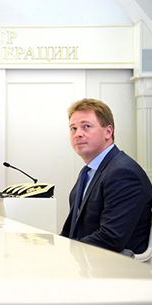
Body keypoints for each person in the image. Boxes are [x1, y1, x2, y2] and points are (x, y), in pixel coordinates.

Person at [60, 98, 152, 254]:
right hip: (88, 262)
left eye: (86, 127)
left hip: (116, 269)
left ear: (108, 132)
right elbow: (73, 230)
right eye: (73, 128)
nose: (78, 134)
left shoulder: (123, 173)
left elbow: (111, 238)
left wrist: (66, 251)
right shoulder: (88, 172)